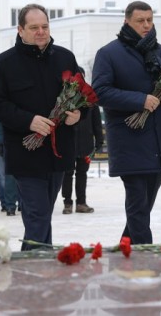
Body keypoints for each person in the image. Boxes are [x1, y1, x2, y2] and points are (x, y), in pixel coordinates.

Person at [0, 4, 82, 251]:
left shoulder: (65, 57)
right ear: (20, 30)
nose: (41, 32)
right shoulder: (3, 64)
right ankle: (36, 268)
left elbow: (81, 95)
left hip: (59, 152)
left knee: (42, 215)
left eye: (45, 26)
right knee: (38, 214)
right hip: (25, 153)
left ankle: (37, 267)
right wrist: (28, 120)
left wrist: (78, 114)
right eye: (34, 27)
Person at [92, 1, 161, 244]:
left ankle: (127, 247)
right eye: (140, 21)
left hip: (158, 141)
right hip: (129, 139)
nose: (146, 25)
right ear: (127, 21)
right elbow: (99, 93)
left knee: (143, 207)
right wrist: (140, 100)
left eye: (149, 20)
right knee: (138, 204)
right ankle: (145, 257)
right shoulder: (108, 53)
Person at [62, 67, 104, 214]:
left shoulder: (90, 97)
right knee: (67, 173)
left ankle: (81, 202)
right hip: (68, 143)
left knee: (82, 174)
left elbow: (96, 122)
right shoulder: (65, 97)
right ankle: (67, 203)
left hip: (85, 143)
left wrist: (99, 140)